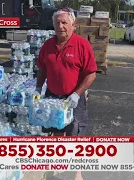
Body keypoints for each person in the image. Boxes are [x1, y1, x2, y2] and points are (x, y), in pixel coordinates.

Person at [33, 7, 97, 180]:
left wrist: (77, 94)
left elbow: (91, 73)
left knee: (75, 134)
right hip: (52, 97)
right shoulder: (48, 46)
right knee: (54, 131)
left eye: (64, 23)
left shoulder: (82, 45)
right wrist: (39, 89)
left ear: (73, 24)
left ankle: (77, 172)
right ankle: (57, 165)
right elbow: (42, 69)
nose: (60, 26)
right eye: (57, 23)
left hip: (74, 99)